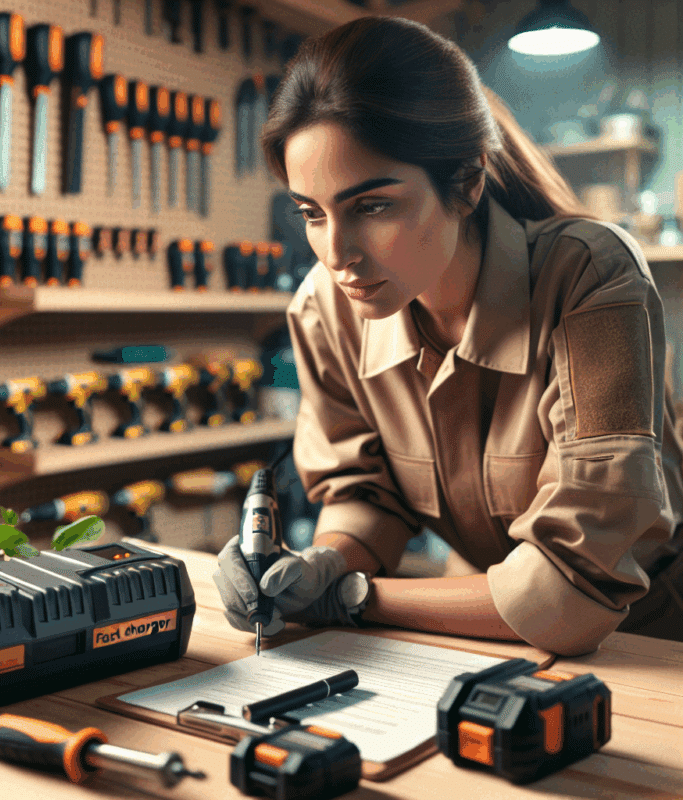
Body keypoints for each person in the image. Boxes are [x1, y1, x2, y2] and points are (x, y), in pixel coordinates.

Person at [213, 16, 683, 656]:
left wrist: (352, 596)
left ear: (466, 182)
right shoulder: (325, 310)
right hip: (490, 633)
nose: (336, 253)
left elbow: (573, 589)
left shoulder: (590, 278)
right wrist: (322, 563)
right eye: (312, 214)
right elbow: (362, 491)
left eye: (372, 206)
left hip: (654, 642)